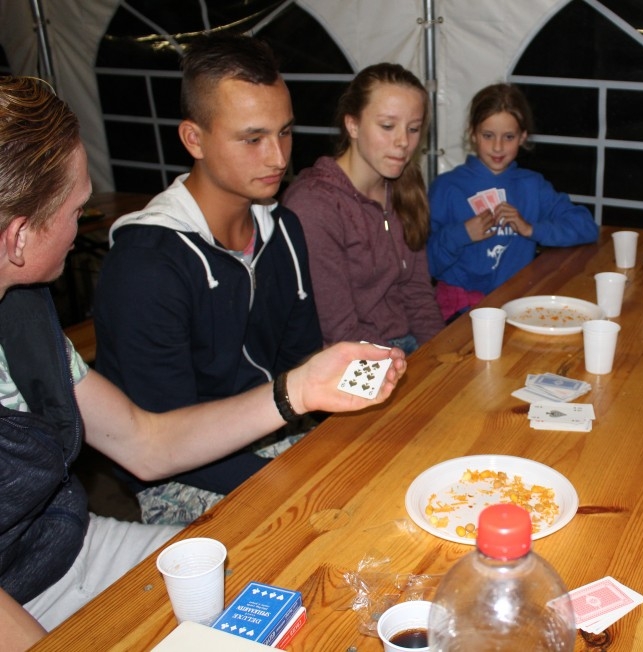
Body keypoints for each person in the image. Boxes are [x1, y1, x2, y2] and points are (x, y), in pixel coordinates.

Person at [0, 75, 405, 651]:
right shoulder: (145, 263)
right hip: (20, 594)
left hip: (70, 544)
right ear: (18, 237)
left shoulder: (21, 309)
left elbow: (144, 442)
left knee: (307, 594)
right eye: (77, 210)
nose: (84, 223)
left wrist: (299, 388)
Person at [91, 33, 324, 525]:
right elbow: (161, 440)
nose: (278, 158)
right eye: (252, 139)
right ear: (193, 139)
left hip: (275, 426)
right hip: (181, 469)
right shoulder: (146, 266)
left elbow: (300, 358)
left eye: (284, 132)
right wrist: (298, 482)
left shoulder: (284, 229)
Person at [282, 63, 443, 354]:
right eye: (387, 126)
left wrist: (442, 354)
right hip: (351, 358)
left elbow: (418, 294)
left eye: (413, 129)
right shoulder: (315, 205)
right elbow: (339, 329)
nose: (403, 142)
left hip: (405, 345)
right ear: (352, 124)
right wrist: (404, 364)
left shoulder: (405, 188)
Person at [427, 83, 599, 322]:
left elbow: (587, 226)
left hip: (517, 303)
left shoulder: (532, 186)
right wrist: (461, 234)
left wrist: (531, 229)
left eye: (508, 137)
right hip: (460, 309)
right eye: (488, 135)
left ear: (522, 137)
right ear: (472, 133)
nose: (498, 146)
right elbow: (424, 266)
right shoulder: (446, 188)